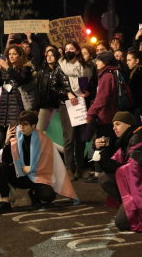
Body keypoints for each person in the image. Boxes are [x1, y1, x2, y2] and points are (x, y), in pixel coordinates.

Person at [0, 111, 79, 215]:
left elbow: (48, 163)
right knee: (1, 167)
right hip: (19, 175)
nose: (21, 127)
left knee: (49, 196)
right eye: (20, 124)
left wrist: (32, 168)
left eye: (25, 124)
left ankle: (34, 194)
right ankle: (4, 203)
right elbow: (6, 161)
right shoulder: (15, 136)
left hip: (37, 176)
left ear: (33, 125)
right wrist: (6, 142)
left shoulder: (43, 139)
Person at [97, 112, 142, 232]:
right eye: (113, 125)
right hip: (137, 185)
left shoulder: (140, 137)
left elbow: (133, 169)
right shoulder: (126, 139)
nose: (114, 128)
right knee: (104, 178)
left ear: (128, 125)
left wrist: (116, 165)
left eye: (118, 124)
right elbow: (112, 166)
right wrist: (101, 150)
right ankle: (135, 209)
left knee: (122, 223)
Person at [54, 41, 92, 181]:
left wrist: (88, 93)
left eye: (71, 48)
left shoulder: (86, 67)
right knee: (69, 138)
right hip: (66, 105)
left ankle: (80, 168)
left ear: (77, 51)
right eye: (66, 49)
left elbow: (93, 85)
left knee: (81, 138)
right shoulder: (60, 67)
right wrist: (67, 94)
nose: (68, 50)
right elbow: (54, 86)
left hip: (82, 104)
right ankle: (69, 168)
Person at [85, 51, 120, 183]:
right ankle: (100, 172)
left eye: (99, 60)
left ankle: (103, 174)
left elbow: (102, 99)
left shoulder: (107, 76)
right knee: (105, 143)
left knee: (104, 144)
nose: (97, 62)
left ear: (105, 62)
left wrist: (90, 113)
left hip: (107, 117)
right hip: (109, 115)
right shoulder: (112, 73)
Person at [0, 44, 33, 148]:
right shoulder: (5, 69)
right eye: (9, 54)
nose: (11, 56)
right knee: (3, 139)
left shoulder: (25, 68)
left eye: (14, 54)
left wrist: (7, 68)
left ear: (20, 55)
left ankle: (18, 162)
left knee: (16, 139)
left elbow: (21, 80)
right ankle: (7, 161)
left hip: (17, 107)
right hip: (4, 109)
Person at [35, 49, 61, 131]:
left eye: (52, 55)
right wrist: (36, 106)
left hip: (58, 106)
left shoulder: (61, 71)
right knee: (40, 131)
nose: (49, 57)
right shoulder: (41, 72)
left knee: (56, 133)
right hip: (44, 106)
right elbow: (36, 89)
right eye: (47, 55)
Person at [126, 50, 142, 124]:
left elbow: (137, 93)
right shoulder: (139, 72)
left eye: (129, 60)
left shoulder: (138, 74)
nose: (127, 62)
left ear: (137, 60)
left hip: (140, 108)